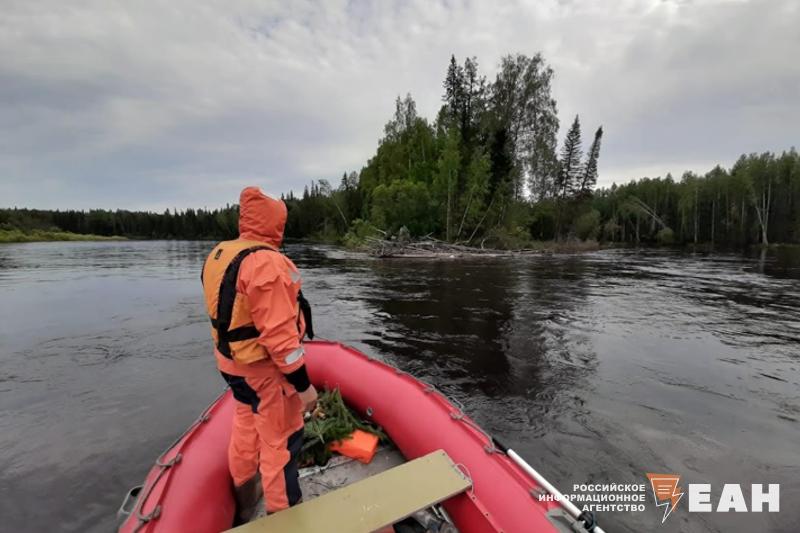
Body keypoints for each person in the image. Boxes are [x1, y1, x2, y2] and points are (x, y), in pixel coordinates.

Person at [201, 186, 317, 522]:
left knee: (245, 424)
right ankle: (284, 515)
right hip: (263, 372)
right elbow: (280, 338)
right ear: (276, 223)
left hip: (232, 366)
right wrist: (303, 386)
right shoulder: (266, 262)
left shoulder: (221, 253)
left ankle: (244, 493)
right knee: (281, 440)